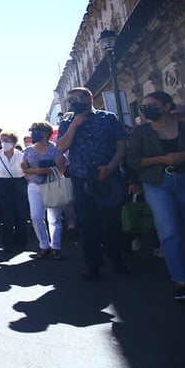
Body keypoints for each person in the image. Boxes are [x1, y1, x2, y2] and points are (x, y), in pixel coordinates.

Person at [57, 86, 130, 280]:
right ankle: (92, 263)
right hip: (82, 177)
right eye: (70, 99)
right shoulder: (67, 122)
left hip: (108, 175)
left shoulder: (108, 118)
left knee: (111, 221)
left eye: (78, 98)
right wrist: (75, 125)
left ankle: (116, 257)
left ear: (89, 98)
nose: (74, 102)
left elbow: (121, 145)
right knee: (87, 222)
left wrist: (111, 167)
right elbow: (61, 147)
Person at [126, 91, 185, 301]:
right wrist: (163, 159)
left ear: (166, 106)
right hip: (156, 183)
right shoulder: (140, 132)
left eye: (151, 105)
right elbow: (134, 160)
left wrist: (183, 156)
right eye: (144, 106)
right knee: (169, 232)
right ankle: (181, 280)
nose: (145, 109)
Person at [22, 121, 68, 260]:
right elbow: (24, 168)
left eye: (36, 131)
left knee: (54, 218)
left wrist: (40, 170)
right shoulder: (28, 150)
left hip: (53, 185)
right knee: (36, 217)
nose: (33, 134)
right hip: (34, 186)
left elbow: (61, 168)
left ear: (45, 133)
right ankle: (43, 245)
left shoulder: (55, 149)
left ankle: (56, 247)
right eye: (32, 131)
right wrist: (37, 171)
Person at [0, 131, 30, 253]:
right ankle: (8, 243)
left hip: (19, 182)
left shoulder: (21, 155)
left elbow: (26, 171)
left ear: (14, 142)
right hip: (2, 183)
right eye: (2, 140)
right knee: (7, 214)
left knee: (21, 213)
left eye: (7, 140)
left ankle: (21, 242)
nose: (4, 143)